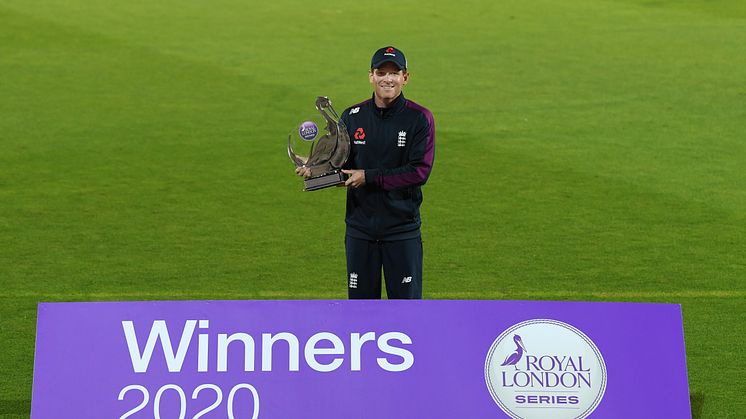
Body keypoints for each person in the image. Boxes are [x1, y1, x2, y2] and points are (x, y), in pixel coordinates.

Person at [297, 46, 435, 299]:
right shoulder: (352, 117)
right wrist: (315, 167)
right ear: (371, 76)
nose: (387, 79)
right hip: (360, 232)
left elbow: (419, 172)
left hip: (402, 232)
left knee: (406, 313)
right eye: (381, 72)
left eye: (395, 73)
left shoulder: (419, 118)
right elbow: (341, 164)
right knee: (360, 313)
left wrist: (369, 176)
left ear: (406, 77)